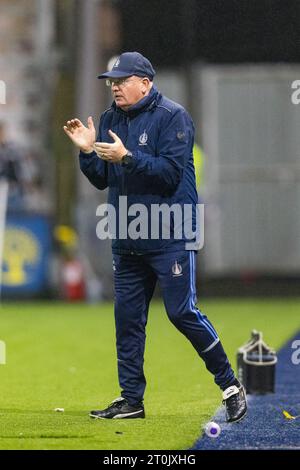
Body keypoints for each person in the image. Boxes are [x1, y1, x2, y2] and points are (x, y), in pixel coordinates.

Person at [63, 52, 247, 422]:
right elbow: (103, 177)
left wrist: (127, 157)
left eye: (121, 80)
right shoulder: (111, 118)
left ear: (145, 83)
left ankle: (230, 385)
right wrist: (87, 153)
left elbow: (168, 175)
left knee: (182, 312)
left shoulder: (173, 117)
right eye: (111, 81)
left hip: (169, 232)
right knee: (128, 319)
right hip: (128, 234)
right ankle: (132, 401)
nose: (114, 86)